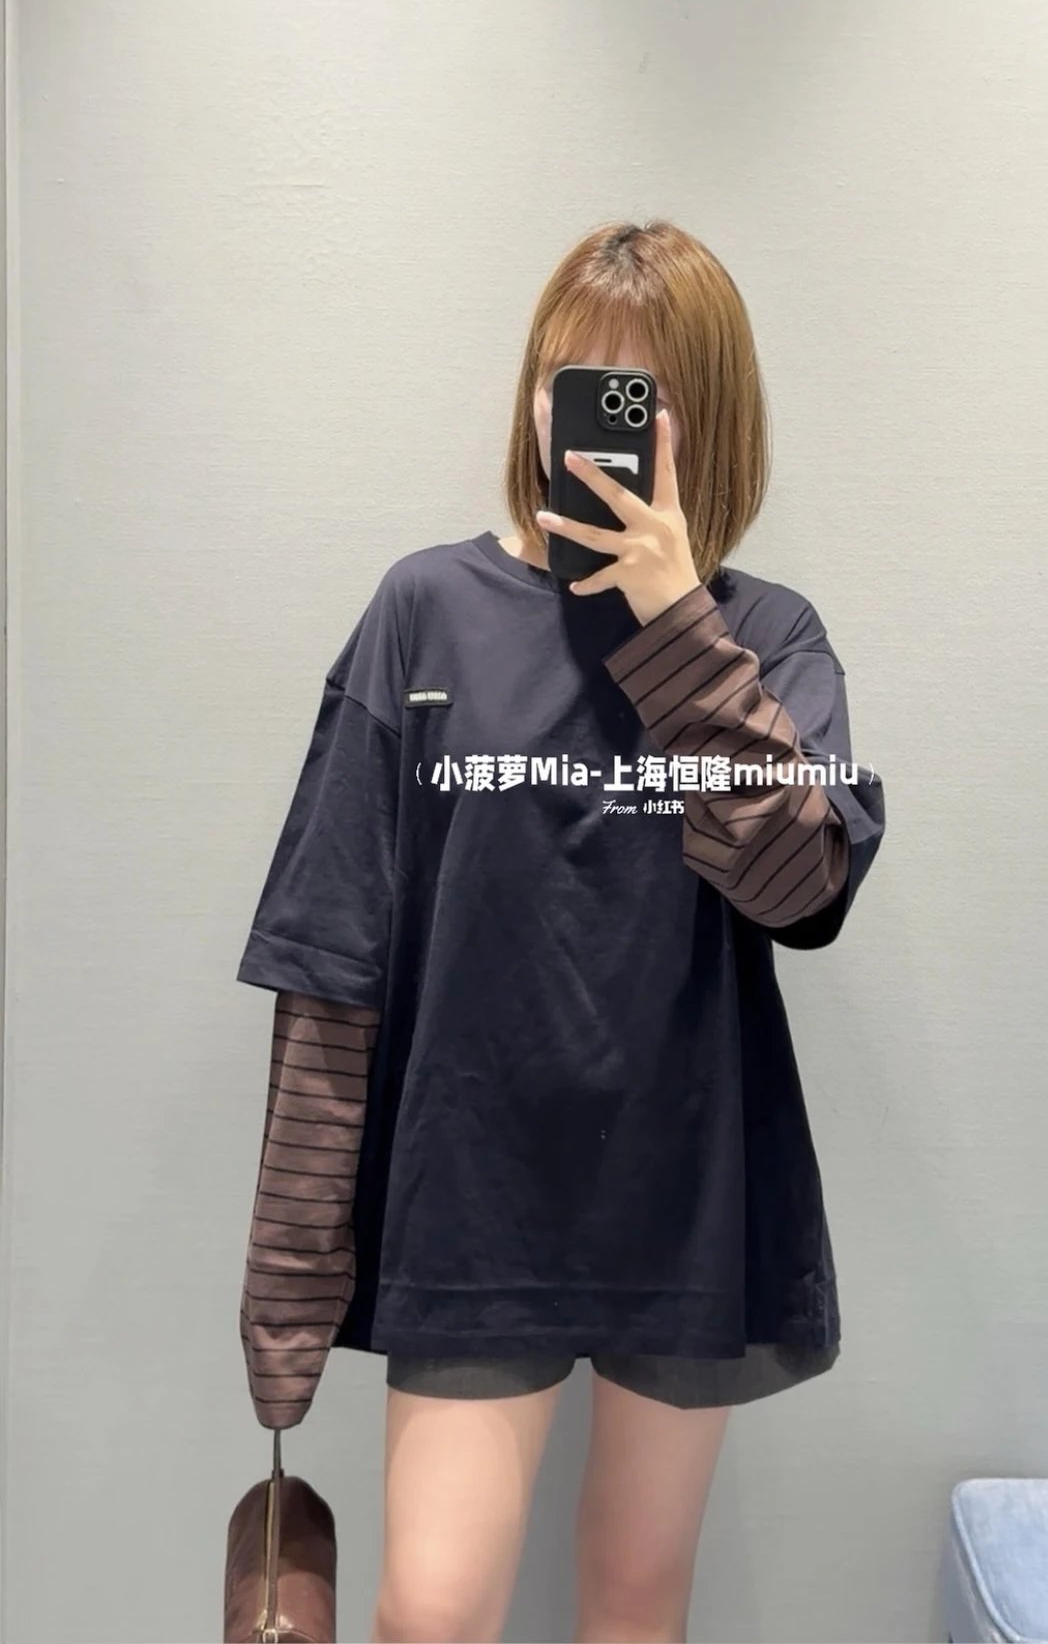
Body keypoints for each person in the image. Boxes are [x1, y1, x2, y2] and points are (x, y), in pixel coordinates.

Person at [234, 218, 885, 1644]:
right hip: (471, 1187)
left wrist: (671, 617)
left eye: (644, 395)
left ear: (706, 420)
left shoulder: (768, 638)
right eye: (573, 384)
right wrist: (286, 1300)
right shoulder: (427, 610)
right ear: (532, 400)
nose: (598, 425)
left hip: (689, 1183)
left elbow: (798, 886)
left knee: (636, 1608)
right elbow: (331, 955)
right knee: (432, 1614)